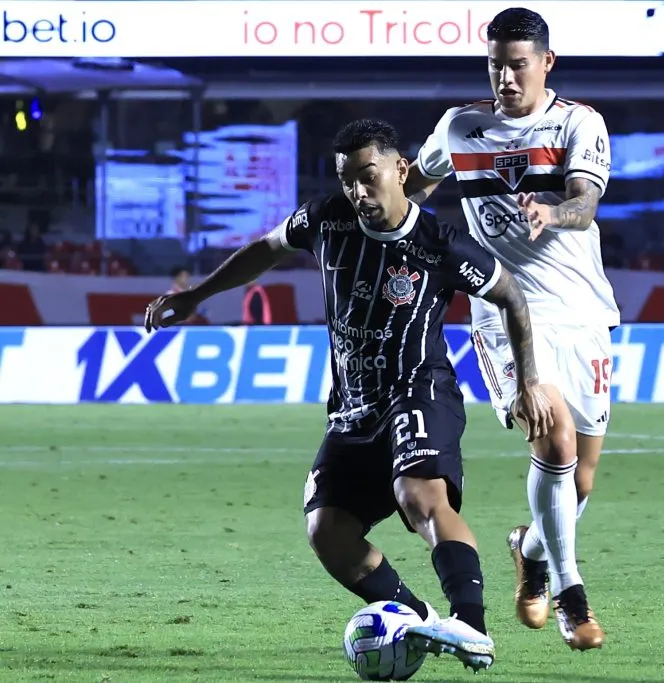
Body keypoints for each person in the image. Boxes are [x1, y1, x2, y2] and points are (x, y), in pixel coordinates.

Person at [144, 118, 557, 672]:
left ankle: (471, 625)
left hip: (421, 389)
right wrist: (196, 294)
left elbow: (511, 296)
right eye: (348, 181)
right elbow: (263, 249)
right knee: (327, 529)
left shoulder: (439, 244)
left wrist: (527, 378)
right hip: (353, 408)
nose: (359, 192)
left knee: (419, 495)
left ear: (400, 169)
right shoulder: (326, 220)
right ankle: (414, 619)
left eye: (368, 176)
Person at [403, 6, 616, 650]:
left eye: (517, 65)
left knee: (579, 481)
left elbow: (585, 199)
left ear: (545, 63)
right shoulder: (461, 128)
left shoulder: (580, 122)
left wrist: (553, 210)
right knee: (551, 441)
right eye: (495, 65)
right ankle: (573, 596)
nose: (505, 78)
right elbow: (412, 186)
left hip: (583, 314)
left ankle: (531, 549)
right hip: (504, 313)